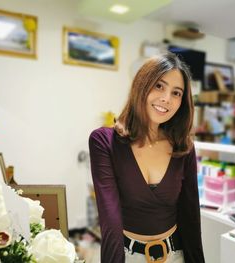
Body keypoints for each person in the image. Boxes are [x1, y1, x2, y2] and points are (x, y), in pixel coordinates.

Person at [88, 53, 205, 263]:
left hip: (175, 255)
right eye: (159, 86)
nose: (166, 99)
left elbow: (190, 217)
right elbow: (110, 221)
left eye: (176, 93)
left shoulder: (183, 147)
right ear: (142, 84)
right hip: (128, 257)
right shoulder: (104, 141)